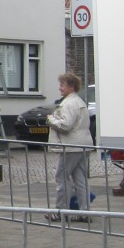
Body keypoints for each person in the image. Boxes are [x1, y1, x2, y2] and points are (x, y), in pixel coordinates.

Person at [45, 72, 92, 221]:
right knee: (80, 178)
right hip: (84, 144)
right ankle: (85, 213)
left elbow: (65, 125)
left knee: (61, 176)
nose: (60, 88)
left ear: (71, 86)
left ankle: (60, 211)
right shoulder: (80, 102)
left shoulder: (68, 103)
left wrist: (51, 119)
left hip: (71, 145)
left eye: (62, 85)